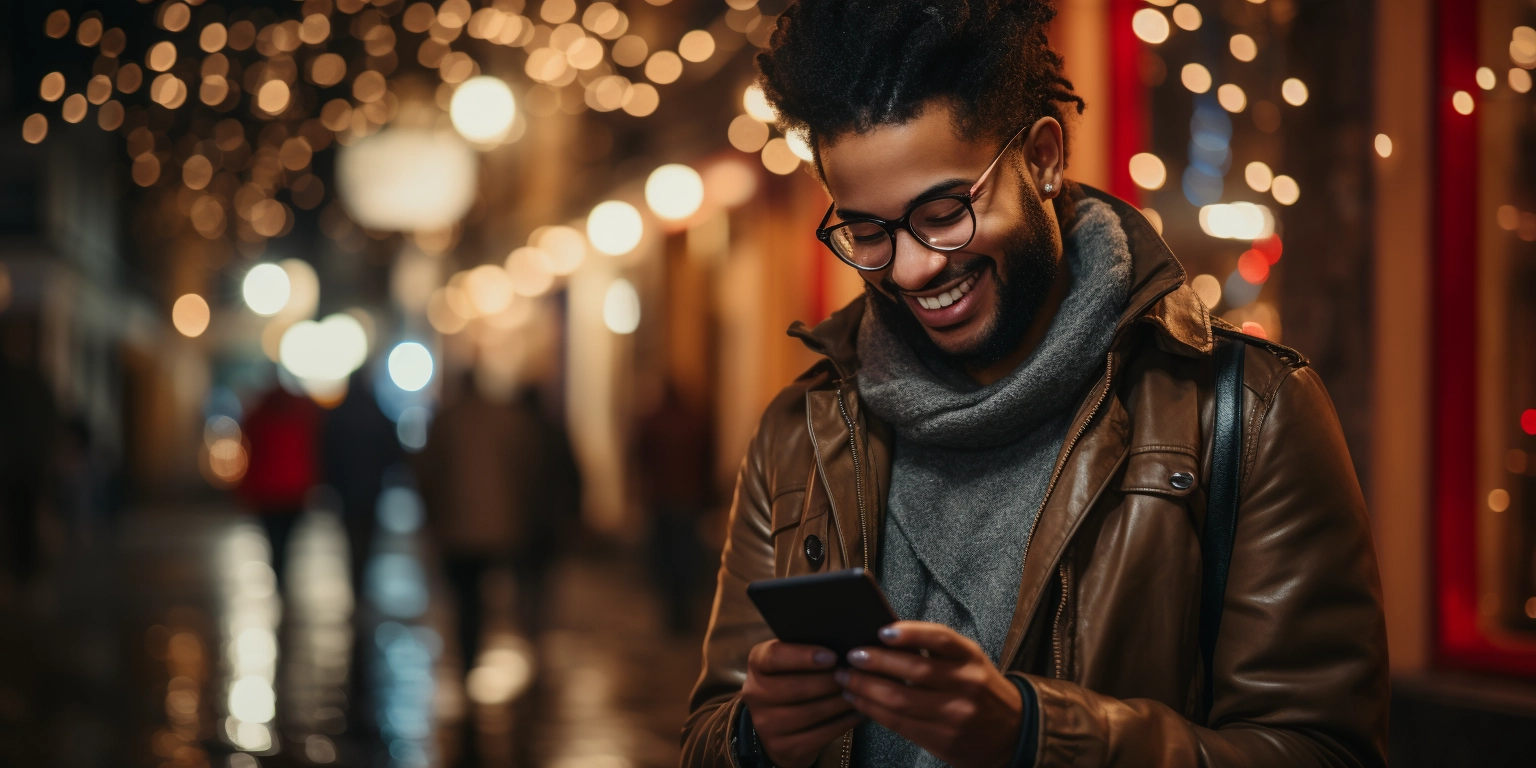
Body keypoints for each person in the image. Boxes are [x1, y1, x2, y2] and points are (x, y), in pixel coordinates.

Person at [682, 3, 1388, 768]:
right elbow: (706, 735)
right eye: (868, 232)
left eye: (945, 210)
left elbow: (1325, 752)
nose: (914, 269)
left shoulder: (1249, 414)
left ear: (1044, 159)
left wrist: (1035, 739)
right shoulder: (802, 432)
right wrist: (755, 740)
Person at [637, 382, 714, 633]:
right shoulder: (695, 422)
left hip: (662, 500)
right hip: (688, 500)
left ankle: (672, 613)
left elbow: (640, 459)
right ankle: (683, 612)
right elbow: (706, 461)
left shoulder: (653, 421)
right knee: (686, 558)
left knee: (666, 558)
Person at [239, 386, 323, 590]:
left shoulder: (258, 415)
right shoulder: (302, 414)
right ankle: (282, 575)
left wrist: (244, 490)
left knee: (273, 539)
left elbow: (250, 454)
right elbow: (311, 452)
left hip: (267, 491)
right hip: (293, 490)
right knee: (287, 539)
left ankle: (279, 576)